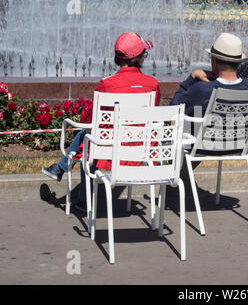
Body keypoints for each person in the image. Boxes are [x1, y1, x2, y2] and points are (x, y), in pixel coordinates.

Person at [42, 32, 160, 212]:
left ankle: (67, 175)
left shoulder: (108, 84)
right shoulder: (152, 84)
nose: (145, 57)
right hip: (139, 149)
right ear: (138, 57)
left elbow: (88, 119)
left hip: (109, 149)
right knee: (89, 138)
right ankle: (65, 174)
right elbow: (152, 115)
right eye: (144, 53)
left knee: (87, 136)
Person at [170, 32, 248, 116]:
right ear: (238, 62)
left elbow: (174, 108)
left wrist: (192, 77)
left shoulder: (203, 89)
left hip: (205, 135)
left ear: (214, 61)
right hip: (242, 135)